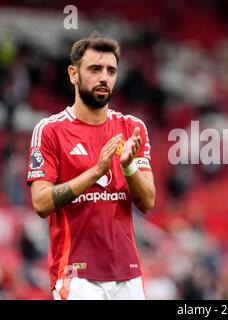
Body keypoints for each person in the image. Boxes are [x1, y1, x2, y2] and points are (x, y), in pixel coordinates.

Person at [26, 32, 156, 300]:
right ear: (74, 74)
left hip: (128, 273)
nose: (104, 77)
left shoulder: (132, 128)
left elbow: (147, 202)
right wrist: (96, 171)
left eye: (111, 70)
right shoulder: (50, 130)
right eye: (95, 69)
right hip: (76, 275)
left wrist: (129, 168)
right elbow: (40, 203)